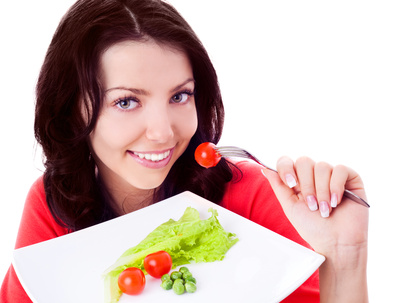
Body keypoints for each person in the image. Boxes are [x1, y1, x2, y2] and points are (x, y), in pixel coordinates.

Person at [0, 0, 369, 302]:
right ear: (71, 109)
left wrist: (345, 258)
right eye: (127, 102)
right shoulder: (53, 204)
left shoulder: (252, 191)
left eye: (180, 96)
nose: (163, 133)